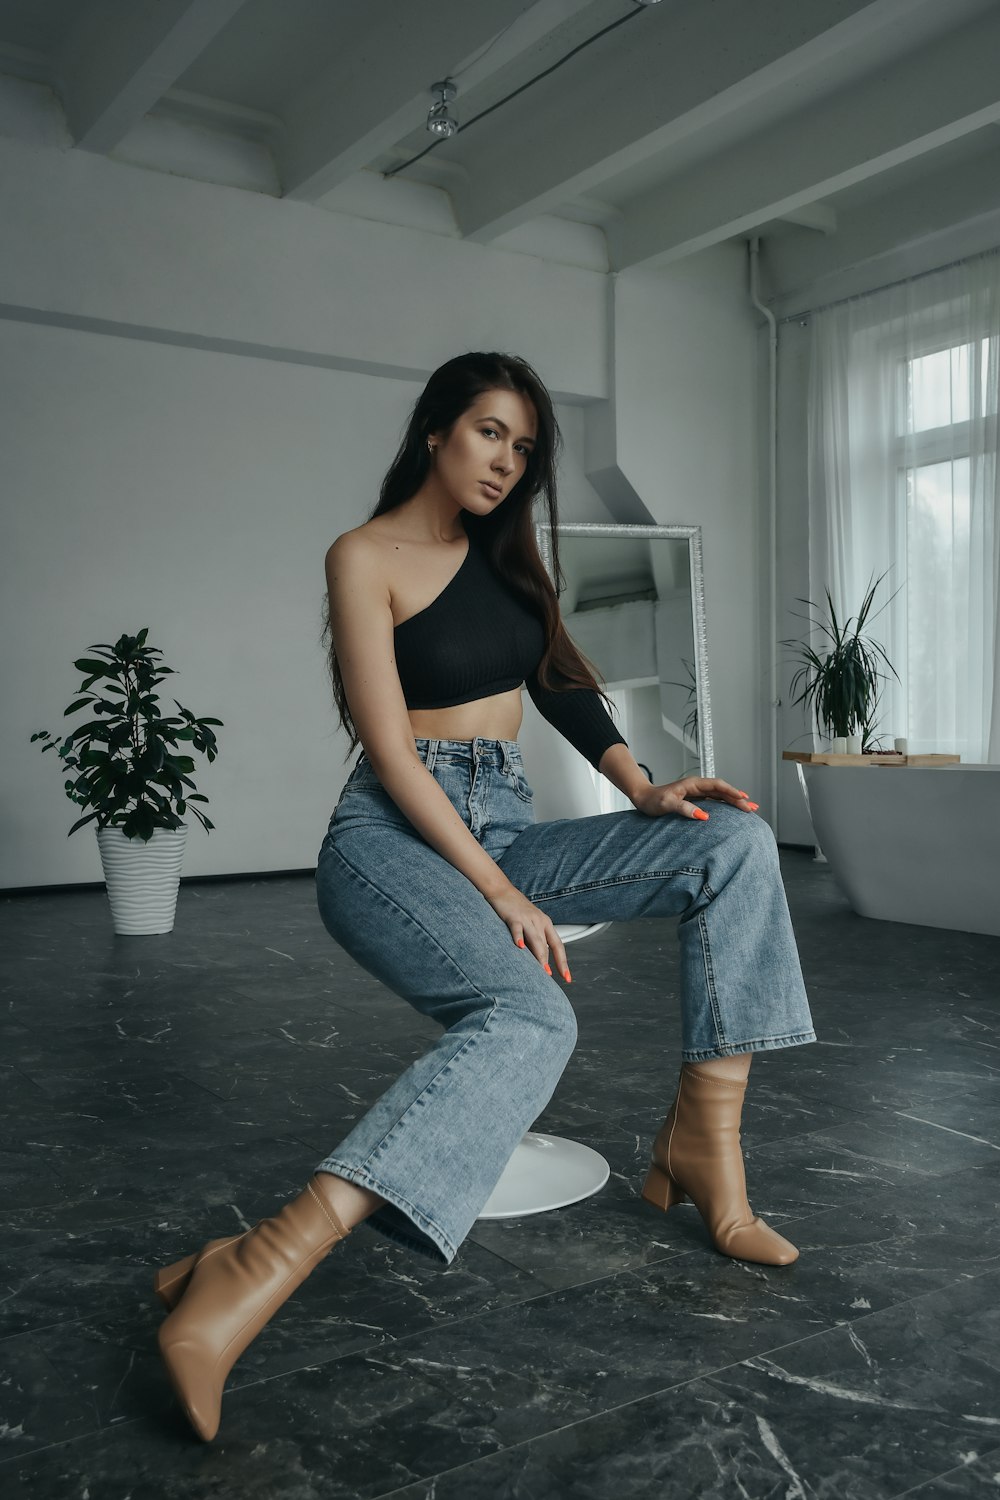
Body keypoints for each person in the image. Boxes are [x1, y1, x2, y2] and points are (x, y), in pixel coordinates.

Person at [154, 351, 816, 1441]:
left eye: (522, 447)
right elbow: (391, 753)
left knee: (732, 841)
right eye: (488, 433)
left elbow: (560, 682)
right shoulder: (364, 554)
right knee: (529, 1012)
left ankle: (703, 1149)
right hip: (393, 835)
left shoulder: (509, 563)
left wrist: (643, 785)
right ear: (434, 431)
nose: (506, 461)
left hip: (504, 816)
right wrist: (500, 885)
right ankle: (252, 1274)